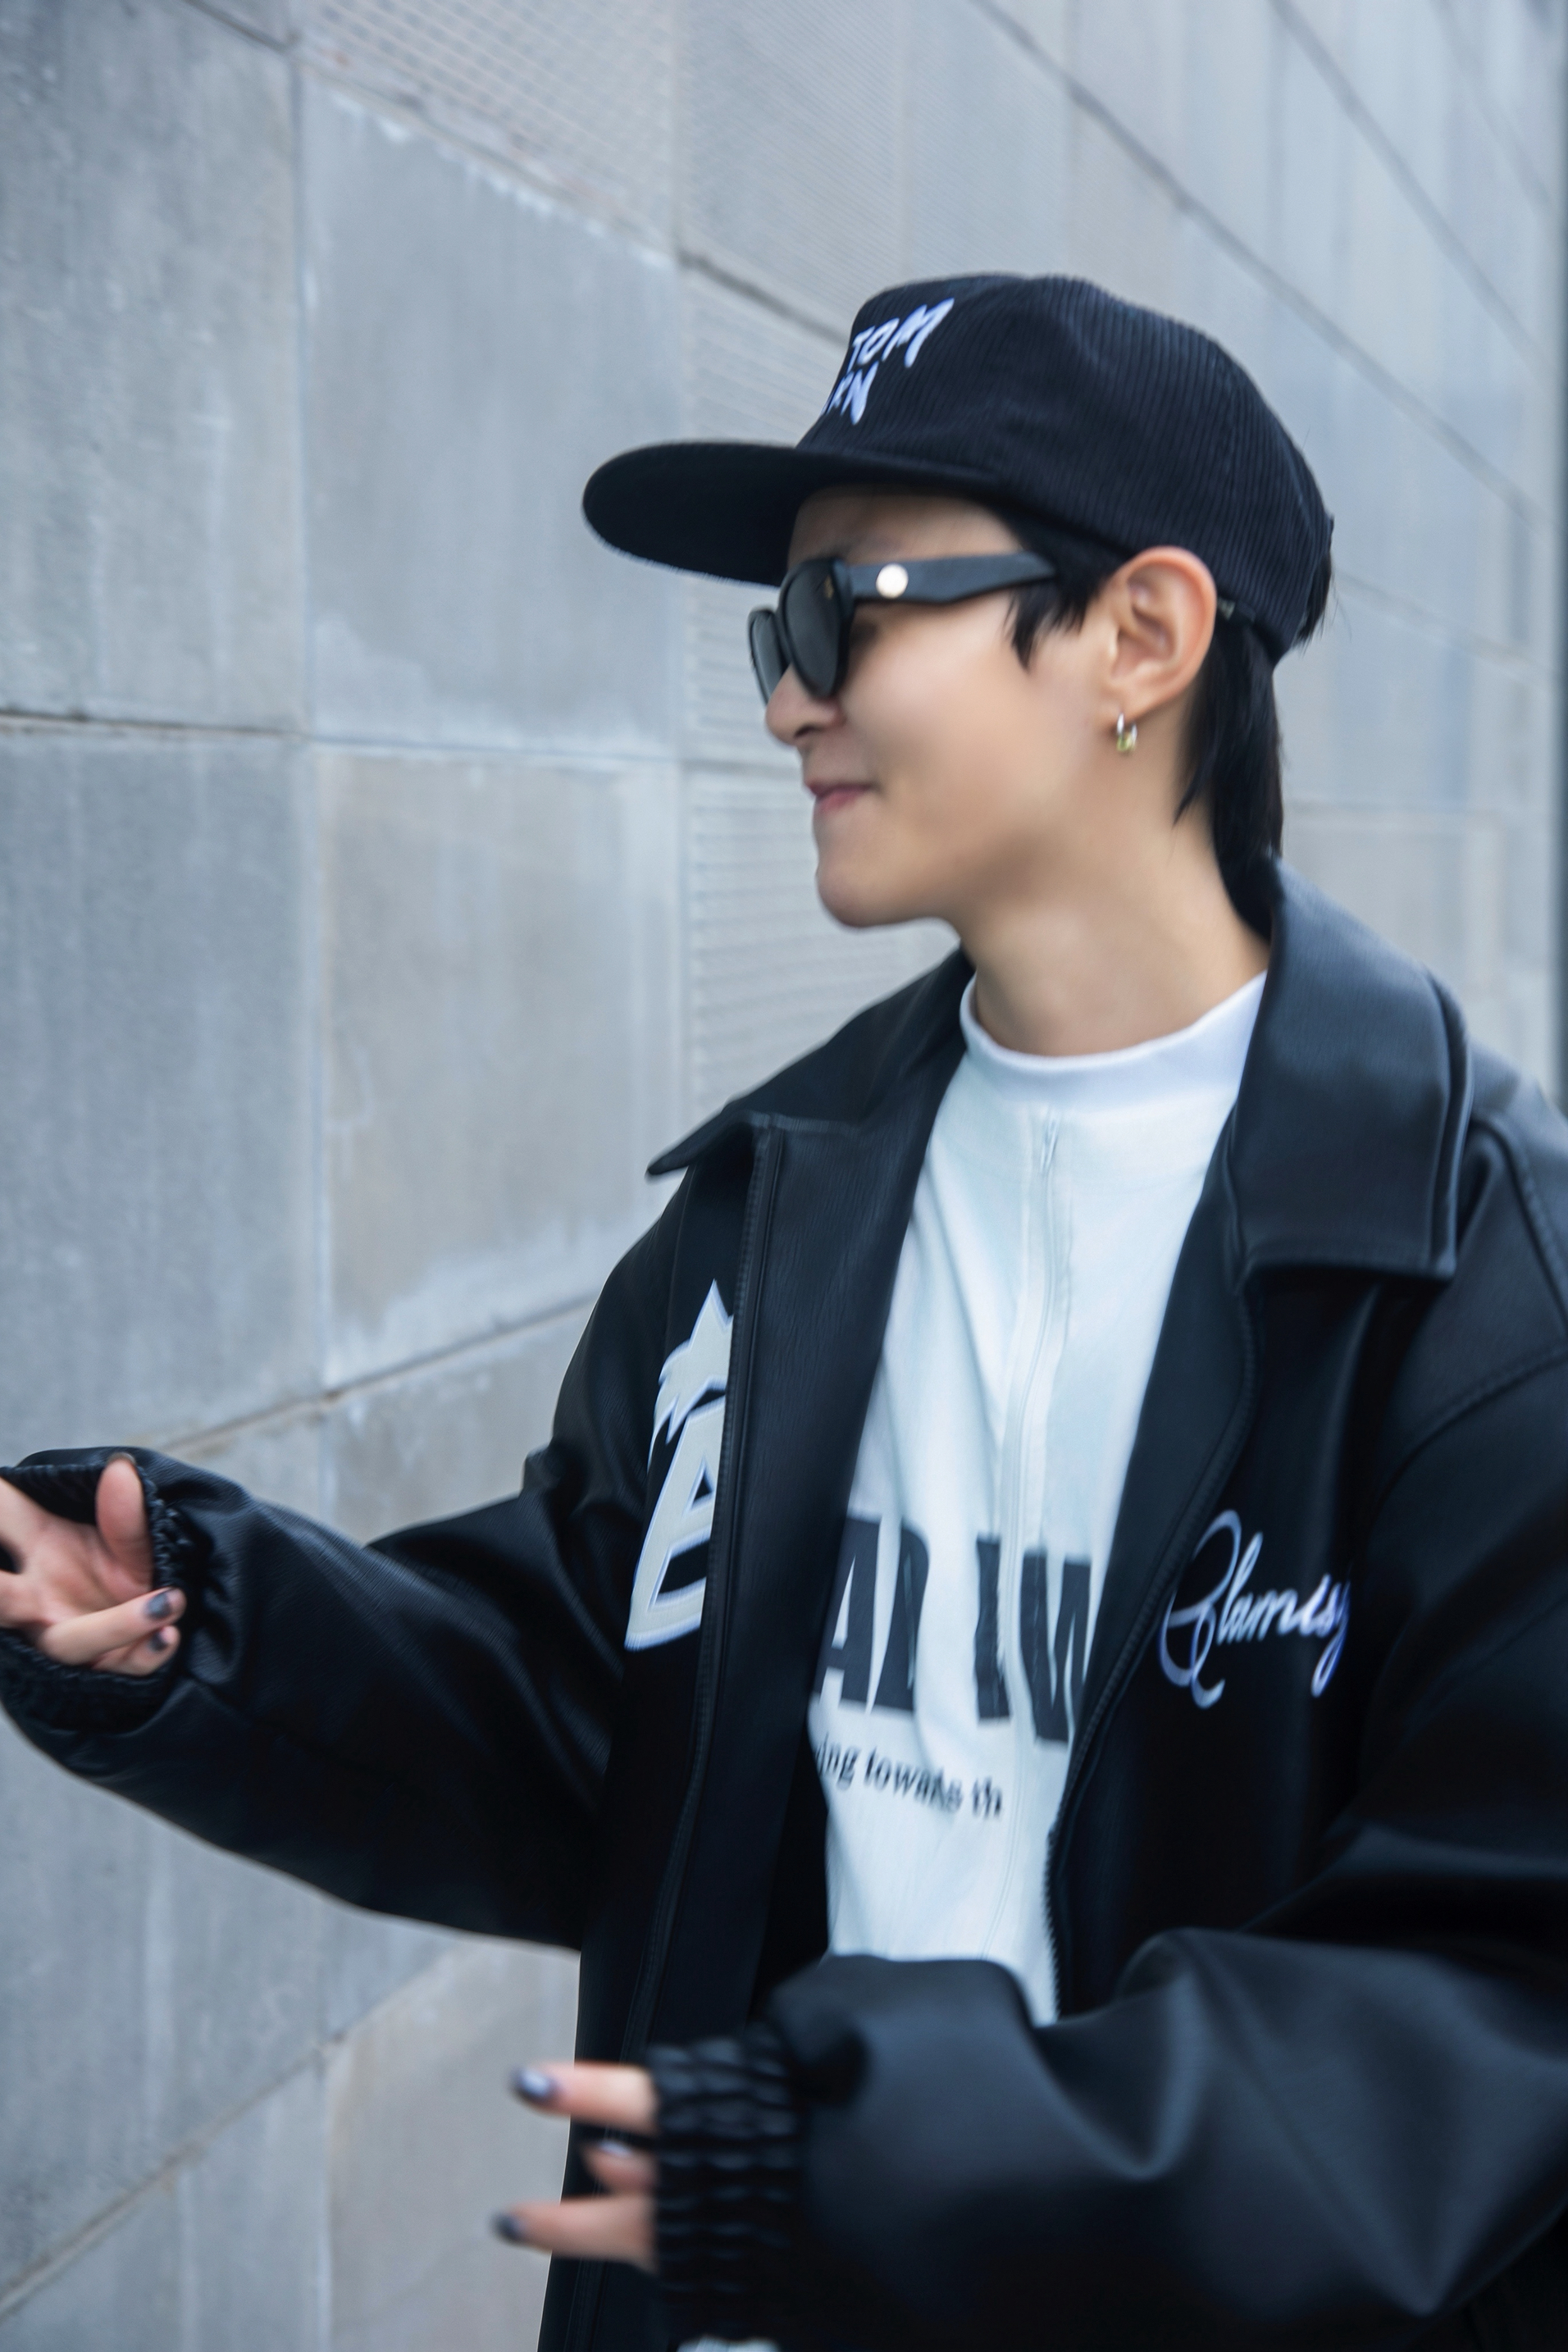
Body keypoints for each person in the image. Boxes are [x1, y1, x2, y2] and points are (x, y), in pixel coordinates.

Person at [2, 273, 1568, 2352]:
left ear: (1140, 636)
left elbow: (1487, 2002)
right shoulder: (771, 1208)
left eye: (848, 613)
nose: (784, 703)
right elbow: (601, 1728)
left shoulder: (1481, 1286)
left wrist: (884, 2165)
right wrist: (205, 1628)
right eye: (777, 634)